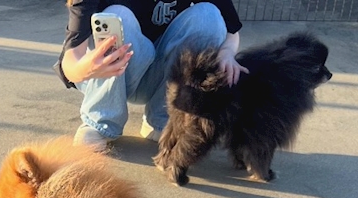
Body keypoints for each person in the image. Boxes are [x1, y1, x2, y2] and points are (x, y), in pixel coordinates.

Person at [56, 0, 247, 148]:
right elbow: (70, 61)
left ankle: (162, 120)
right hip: (114, 75)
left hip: (162, 78)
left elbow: (231, 31)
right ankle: (99, 121)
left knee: (208, 15)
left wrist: (227, 52)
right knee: (117, 15)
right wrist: (88, 68)